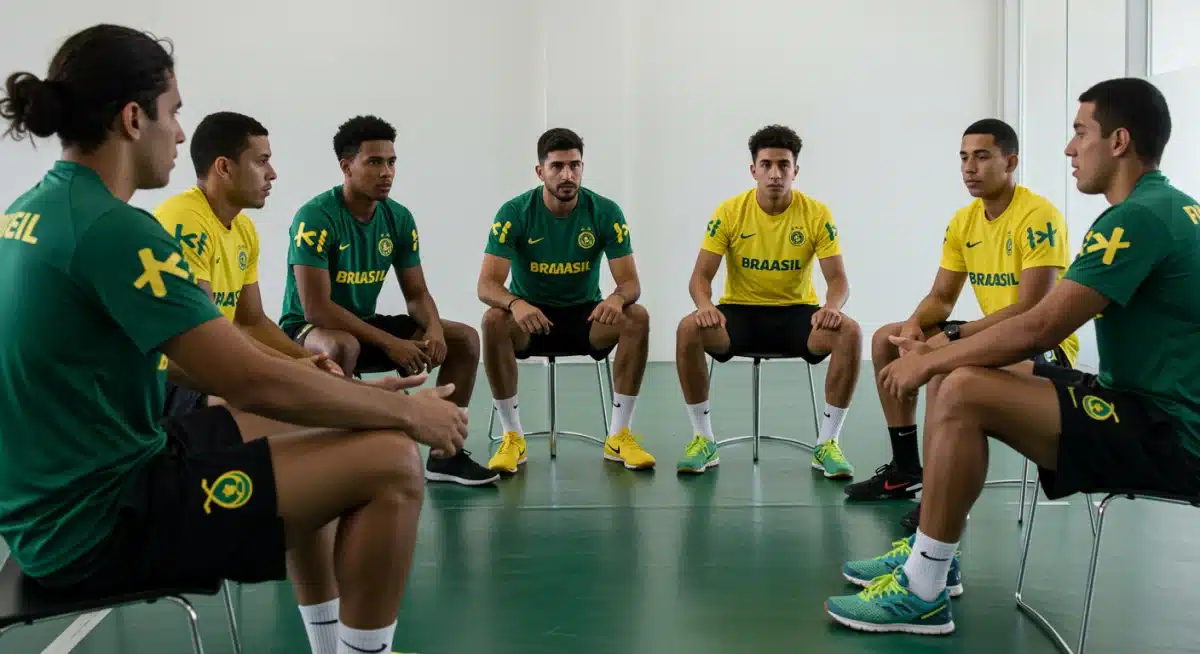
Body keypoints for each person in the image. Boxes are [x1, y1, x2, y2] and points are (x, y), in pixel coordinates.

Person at [0, 24, 467, 654]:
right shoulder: (115, 231)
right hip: (96, 522)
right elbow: (246, 378)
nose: (182, 133)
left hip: (69, 491)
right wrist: (408, 413)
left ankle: (328, 646)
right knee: (392, 462)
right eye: (176, 113)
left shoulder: (37, 210)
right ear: (134, 118)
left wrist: (341, 390)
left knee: (334, 426)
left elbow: (196, 361)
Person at [826, 77, 1200, 636]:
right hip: (1136, 403)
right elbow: (958, 301)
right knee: (961, 381)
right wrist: (932, 346)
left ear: (1118, 141)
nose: (1071, 148)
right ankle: (932, 559)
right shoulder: (1166, 207)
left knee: (960, 387)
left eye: (1080, 132)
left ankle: (924, 588)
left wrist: (931, 358)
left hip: (1171, 431)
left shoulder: (1137, 218)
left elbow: (1041, 323)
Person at [842, 119, 1080, 531]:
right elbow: (942, 297)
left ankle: (940, 496)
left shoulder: (1040, 216)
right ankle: (906, 470)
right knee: (886, 340)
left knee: (942, 366)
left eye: (982, 157)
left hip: (1042, 346)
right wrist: (917, 323)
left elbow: (1032, 310)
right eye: (964, 158)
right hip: (992, 333)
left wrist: (951, 338)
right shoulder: (964, 220)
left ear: (1011, 161)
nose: (970, 168)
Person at [278, 114, 496, 487]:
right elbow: (318, 308)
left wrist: (433, 329)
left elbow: (416, 293)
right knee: (340, 344)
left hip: (362, 321)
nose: (387, 172)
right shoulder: (315, 218)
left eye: (391, 162)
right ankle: (340, 455)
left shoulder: (398, 218)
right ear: (346, 167)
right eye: (374, 162)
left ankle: (446, 456)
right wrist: (390, 344)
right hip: (308, 329)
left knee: (464, 339)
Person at [674, 124, 861, 477]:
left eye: (784, 165)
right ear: (754, 170)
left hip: (796, 315)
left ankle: (827, 444)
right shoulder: (729, 212)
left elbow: (838, 280)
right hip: (739, 313)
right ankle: (703, 440)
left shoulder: (816, 213)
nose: (775, 173)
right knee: (688, 329)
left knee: (849, 332)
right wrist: (704, 306)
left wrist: (832, 308)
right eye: (767, 165)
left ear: (795, 171)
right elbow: (700, 277)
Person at [477, 127, 654, 474]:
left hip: (586, 319)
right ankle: (512, 436)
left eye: (575, 165)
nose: (567, 174)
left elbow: (631, 282)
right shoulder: (515, 212)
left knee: (638, 316)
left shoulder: (604, 211)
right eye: (557, 166)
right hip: (531, 320)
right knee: (492, 320)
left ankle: (619, 435)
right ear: (540, 171)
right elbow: (486, 285)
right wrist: (516, 304)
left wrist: (617, 299)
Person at [153, 111, 345, 419]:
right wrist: (293, 369)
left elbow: (251, 321)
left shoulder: (243, 229)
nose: (272, 173)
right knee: (291, 403)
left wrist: (307, 359)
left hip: (216, 364)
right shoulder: (185, 220)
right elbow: (203, 338)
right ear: (225, 168)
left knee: (318, 392)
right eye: (261, 161)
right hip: (170, 377)